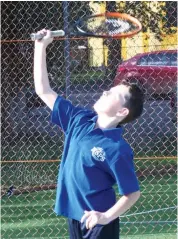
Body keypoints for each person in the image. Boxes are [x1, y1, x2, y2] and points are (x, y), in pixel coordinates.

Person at [34, 29, 144, 239]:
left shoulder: (117, 149)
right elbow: (43, 90)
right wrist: (41, 47)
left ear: (122, 112)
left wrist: (105, 216)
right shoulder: (78, 120)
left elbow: (132, 193)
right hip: (75, 217)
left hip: (99, 223)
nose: (105, 91)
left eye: (113, 93)